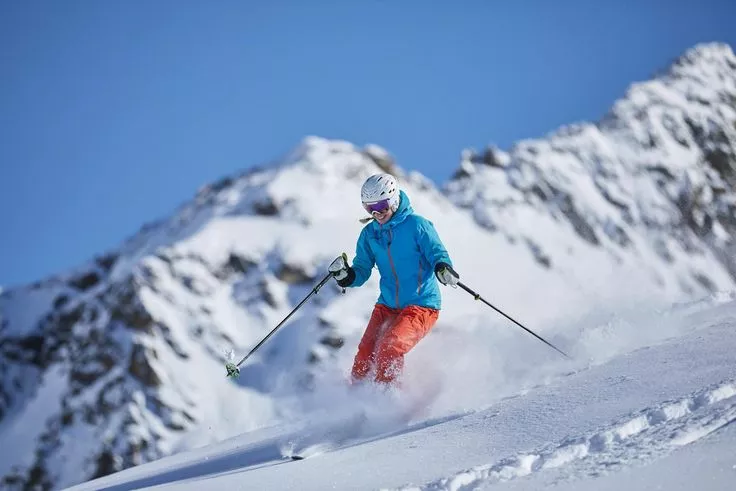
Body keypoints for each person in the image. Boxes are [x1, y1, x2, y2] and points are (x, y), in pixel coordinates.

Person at [328, 173, 460, 387]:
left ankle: (388, 399)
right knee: (365, 355)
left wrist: (443, 267)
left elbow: (437, 252)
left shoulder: (417, 225)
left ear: (394, 199)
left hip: (421, 305)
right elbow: (362, 268)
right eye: (369, 208)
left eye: (381, 205)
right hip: (387, 305)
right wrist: (347, 276)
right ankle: (355, 404)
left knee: (390, 347)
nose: (376, 213)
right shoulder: (369, 234)